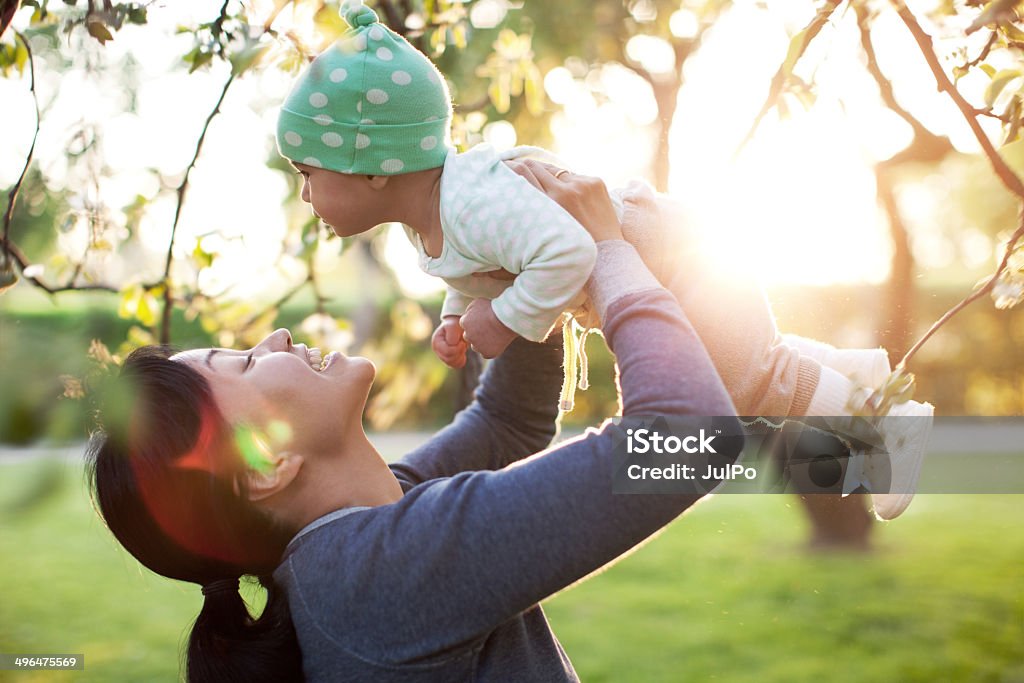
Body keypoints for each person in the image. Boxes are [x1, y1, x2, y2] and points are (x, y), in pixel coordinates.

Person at [273, 1, 932, 519]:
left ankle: (888, 427)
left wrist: (503, 321)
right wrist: (458, 317)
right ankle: (865, 374)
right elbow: (476, 269)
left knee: (746, 383)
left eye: (309, 173)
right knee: (761, 360)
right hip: (663, 257)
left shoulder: (470, 200)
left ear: (374, 169)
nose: (305, 193)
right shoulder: (434, 222)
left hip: (673, 257)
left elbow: (568, 249)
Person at [87, 168, 745, 682]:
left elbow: (507, 421)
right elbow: (688, 441)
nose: (279, 337)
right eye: (249, 363)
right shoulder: (385, 576)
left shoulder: (359, 537)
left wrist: (523, 273)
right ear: (266, 464)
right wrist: (605, 251)